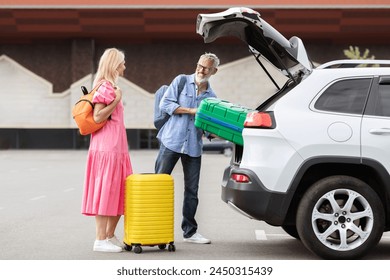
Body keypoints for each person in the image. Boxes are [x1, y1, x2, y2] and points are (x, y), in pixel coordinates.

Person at [155, 52, 220, 244]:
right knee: (158, 185)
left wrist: (214, 132)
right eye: (199, 65)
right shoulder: (181, 81)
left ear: (214, 71)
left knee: (192, 191)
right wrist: (192, 110)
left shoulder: (212, 97)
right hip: (171, 141)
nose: (201, 70)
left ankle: (190, 232)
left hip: (193, 147)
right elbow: (165, 103)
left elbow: (207, 129)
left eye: (206, 68)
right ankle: (154, 228)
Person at [81, 48, 133, 253]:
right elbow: (98, 116)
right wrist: (116, 100)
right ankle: (100, 239)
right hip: (107, 149)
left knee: (120, 192)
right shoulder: (105, 87)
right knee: (105, 192)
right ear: (114, 64)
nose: (124, 66)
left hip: (116, 149)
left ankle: (110, 235)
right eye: (122, 62)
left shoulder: (111, 86)